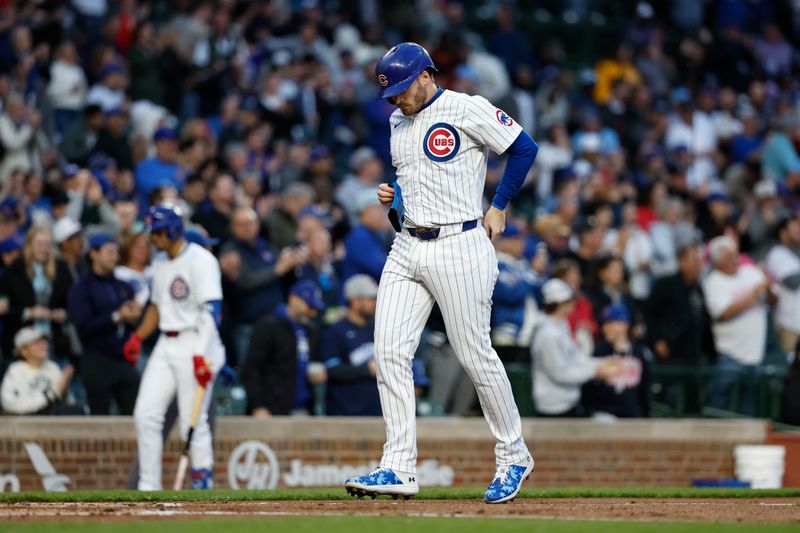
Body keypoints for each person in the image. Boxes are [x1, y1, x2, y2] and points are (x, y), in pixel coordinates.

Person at [344, 42, 539, 504]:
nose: (396, 100)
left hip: (460, 243)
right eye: (390, 93)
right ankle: (399, 466)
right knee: (389, 350)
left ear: (426, 75)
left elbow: (524, 148)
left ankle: (514, 454)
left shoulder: (465, 108)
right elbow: (413, 185)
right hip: (408, 243)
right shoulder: (396, 121)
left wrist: (499, 206)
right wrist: (396, 202)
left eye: (402, 89)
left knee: (474, 353)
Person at [124, 205, 225, 490]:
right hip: (165, 343)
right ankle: (148, 484)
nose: (152, 238)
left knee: (192, 421)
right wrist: (138, 337)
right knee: (145, 414)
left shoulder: (201, 260)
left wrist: (200, 355)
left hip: (195, 338)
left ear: (173, 230)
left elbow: (211, 312)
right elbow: (156, 307)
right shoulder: (159, 263)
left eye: (157, 232)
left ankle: (202, 480)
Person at [67, 233, 142, 415]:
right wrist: (116, 316)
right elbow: (83, 328)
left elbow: (135, 323)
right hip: (96, 359)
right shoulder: (81, 288)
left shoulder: (124, 286)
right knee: (100, 417)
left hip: (124, 359)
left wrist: (134, 317)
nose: (113, 256)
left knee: (135, 415)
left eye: (116, 252)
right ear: (93, 254)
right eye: (108, 252)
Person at [530, 278, 622, 418]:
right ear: (561, 304)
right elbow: (560, 374)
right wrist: (596, 371)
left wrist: (600, 362)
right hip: (553, 408)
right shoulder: (546, 334)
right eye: (569, 300)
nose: (573, 303)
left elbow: (575, 358)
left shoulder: (561, 324)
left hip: (568, 402)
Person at [703, 235, 770, 416]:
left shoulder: (750, 272)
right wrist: (755, 293)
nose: (735, 259)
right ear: (718, 261)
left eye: (735, 254)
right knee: (719, 408)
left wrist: (769, 286)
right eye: (729, 256)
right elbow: (724, 313)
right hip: (729, 353)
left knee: (749, 411)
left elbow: (772, 298)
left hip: (755, 353)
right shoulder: (713, 281)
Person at [646, 242, 715, 414]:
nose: (697, 265)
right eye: (693, 261)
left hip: (692, 355)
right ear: (681, 262)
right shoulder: (665, 284)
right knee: (663, 400)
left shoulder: (697, 289)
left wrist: (710, 352)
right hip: (669, 353)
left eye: (699, 261)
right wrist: (657, 340)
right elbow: (649, 314)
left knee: (692, 402)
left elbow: (704, 322)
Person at [241, 279, 326, 416]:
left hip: (303, 408)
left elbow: (311, 364)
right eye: (309, 306)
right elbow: (251, 369)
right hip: (271, 410)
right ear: (293, 299)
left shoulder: (311, 330)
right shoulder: (268, 326)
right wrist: (258, 405)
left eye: (314, 309)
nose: (312, 313)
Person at [0, 226, 75, 362]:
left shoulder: (62, 268)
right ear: (29, 244)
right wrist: (28, 313)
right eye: (39, 244)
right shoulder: (14, 270)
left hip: (54, 341)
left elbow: (73, 302)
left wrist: (63, 314)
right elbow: (4, 308)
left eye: (47, 244)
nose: (43, 248)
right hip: (21, 343)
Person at [323, 275, 381, 416]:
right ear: (355, 301)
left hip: (375, 412)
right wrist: (366, 370)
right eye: (370, 298)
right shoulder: (336, 331)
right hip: (345, 412)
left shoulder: (378, 328)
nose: (375, 303)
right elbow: (331, 369)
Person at [582, 304, 650, 418]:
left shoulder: (639, 352)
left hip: (631, 415)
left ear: (623, 325)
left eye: (610, 323)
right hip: (604, 413)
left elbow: (645, 388)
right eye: (604, 324)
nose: (605, 328)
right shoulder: (600, 350)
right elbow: (588, 389)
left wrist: (646, 413)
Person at [1, 327, 78, 415]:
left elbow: (67, 402)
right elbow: (10, 404)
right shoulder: (16, 370)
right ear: (23, 350)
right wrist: (52, 394)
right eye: (36, 342)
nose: (44, 345)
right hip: (27, 421)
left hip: (54, 419)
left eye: (44, 341)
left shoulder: (52, 366)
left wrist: (65, 386)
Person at [764, 216, 800, 355]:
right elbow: (792, 282)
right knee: (792, 373)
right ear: (783, 232)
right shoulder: (777, 253)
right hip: (789, 327)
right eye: (795, 227)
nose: (799, 230)